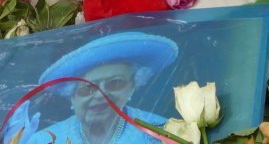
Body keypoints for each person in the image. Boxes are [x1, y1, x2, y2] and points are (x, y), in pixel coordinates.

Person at [25, 32, 178, 144]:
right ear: (71, 95)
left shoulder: (163, 133)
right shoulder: (44, 140)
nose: (100, 95)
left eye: (114, 83)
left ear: (132, 87)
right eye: (87, 88)